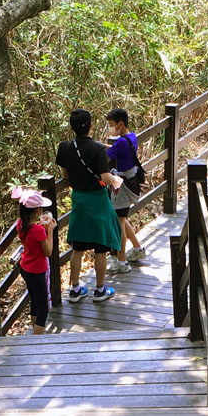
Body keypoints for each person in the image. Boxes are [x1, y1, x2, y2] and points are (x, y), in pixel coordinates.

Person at [54, 108, 122, 303]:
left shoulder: (65, 147)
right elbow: (105, 178)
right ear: (90, 126)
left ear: (72, 127)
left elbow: (66, 175)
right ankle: (100, 290)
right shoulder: (98, 149)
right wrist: (115, 179)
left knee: (79, 245)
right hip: (98, 199)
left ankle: (75, 289)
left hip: (79, 199)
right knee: (101, 247)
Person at [105, 108, 147, 275]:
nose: (110, 128)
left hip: (121, 185)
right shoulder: (131, 137)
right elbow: (116, 149)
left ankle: (121, 262)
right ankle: (137, 248)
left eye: (111, 125)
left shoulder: (121, 142)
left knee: (119, 222)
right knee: (121, 217)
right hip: (131, 180)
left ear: (120, 124)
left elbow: (107, 155)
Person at [10, 186, 55, 334]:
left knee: (34, 302)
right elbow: (48, 252)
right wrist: (50, 230)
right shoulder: (39, 230)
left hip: (26, 268)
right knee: (43, 309)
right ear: (37, 211)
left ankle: (36, 333)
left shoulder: (20, 224)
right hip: (37, 271)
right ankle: (37, 340)